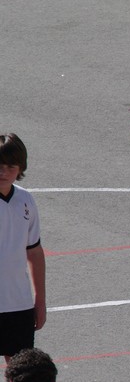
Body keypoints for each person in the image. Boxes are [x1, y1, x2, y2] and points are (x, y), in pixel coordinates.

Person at [0, 134, 46, 364]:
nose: (4, 172)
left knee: (20, 375)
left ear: (20, 168)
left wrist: (40, 300)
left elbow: (35, 252)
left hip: (19, 305)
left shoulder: (26, 201)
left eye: (10, 166)